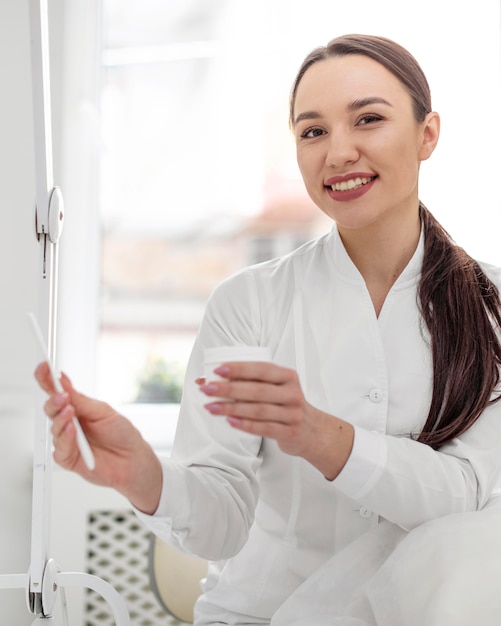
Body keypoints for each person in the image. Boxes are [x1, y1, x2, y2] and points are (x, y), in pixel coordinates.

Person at [35, 34, 501, 625]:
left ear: (427, 133)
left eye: (369, 120)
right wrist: (145, 478)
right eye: (313, 131)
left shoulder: (491, 306)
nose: (339, 152)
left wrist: (319, 435)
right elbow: (222, 521)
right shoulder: (249, 301)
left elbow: (461, 495)